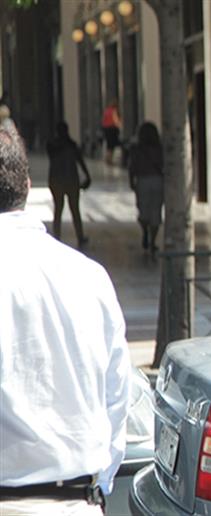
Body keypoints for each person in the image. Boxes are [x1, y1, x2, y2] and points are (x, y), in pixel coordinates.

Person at [0, 116, 131, 515]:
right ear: (27, 186)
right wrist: (96, 486)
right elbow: (117, 398)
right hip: (78, 501)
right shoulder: (90, 277)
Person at [46, 122, 92, 246]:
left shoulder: (53, 146)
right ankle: (80, 236)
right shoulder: (71, 145)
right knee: (74, 209)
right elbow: (80, 161)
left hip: (57, 180)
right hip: (71, 180)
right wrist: (87, 176)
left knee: (58, 209)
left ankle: (57, 237)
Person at [128, 122, 164, 252]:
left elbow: (132, 167)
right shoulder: (159, 149)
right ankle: (152, 241)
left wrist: (131, 181)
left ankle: (145, 232)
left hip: (142, 180)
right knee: (156, 211)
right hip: (157, 180)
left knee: (143, 210)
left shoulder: (136, 149)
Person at [101, 99, 122, 166]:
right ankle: (109, 159)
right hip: (112, 129)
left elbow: (103, 120)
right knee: (112, 145)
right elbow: (116, 120)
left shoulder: (107, 110)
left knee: (109, 145)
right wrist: (119, 125)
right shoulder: (114, 111)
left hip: (106, 129)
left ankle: (107, 158)